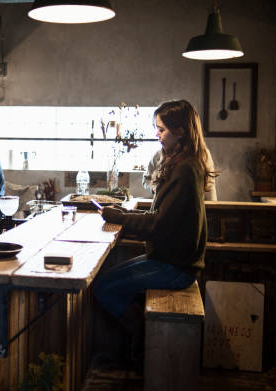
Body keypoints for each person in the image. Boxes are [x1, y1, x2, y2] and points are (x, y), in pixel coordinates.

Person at [94, 100, 211, 359]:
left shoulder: (184, 170)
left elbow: (158, 224)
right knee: (105, 281)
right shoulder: (185, 164)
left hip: (177, 267)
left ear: (180, 131)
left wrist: (119, 217)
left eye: (162, 130)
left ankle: (143, 336)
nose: (157, 135)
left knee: (103, 287)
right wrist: (122, 214)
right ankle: (141, 335)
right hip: (170, 259)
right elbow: (159, 216)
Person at [143, 148, 217, 200]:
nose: (158, 134)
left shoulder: (202, 154)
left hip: (196, 208)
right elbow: (146, 179)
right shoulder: (159, 154)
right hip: (165, 209)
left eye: (162, 130)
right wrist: (155, 188)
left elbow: (209, 183)